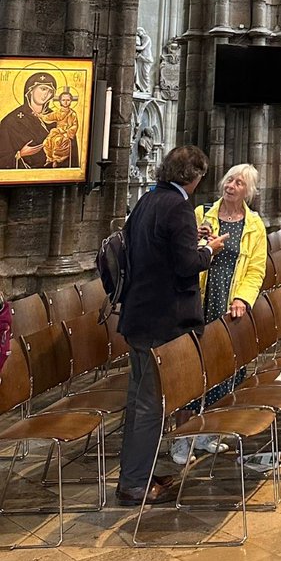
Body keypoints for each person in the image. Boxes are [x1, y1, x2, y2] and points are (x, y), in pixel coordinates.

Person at [116, 145, 228, 505]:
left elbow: (152, 252)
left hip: (139, 315)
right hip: (161, 321)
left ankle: (137, 475)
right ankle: (134, 484)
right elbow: (184, 266)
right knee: (149, 406)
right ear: (194, 177)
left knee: (139, 402)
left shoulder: (149, 200)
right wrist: (211, 250)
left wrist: (192, 240)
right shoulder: (179, 206)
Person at [170, 163, 268, 466]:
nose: (231, 186)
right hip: (200, 297)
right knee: (193, 367)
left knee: (225, 367)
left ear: (248, 191)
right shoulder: (201, 213)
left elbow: (256, 269)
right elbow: (182, 251)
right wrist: (197, 239)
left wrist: (243, 299)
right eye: (229, 180)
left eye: (238, 183)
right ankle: (182, 438)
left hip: (230, 302)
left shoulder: (254, 225)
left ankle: (208, 432)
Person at [0, 70, 59, 169]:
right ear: (30, 90)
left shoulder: (56, 117)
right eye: (43, 89)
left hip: (53, 177)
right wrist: (19, 154)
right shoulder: (11, 121)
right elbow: (2, 156)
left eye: (50, 92)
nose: (46, 94)